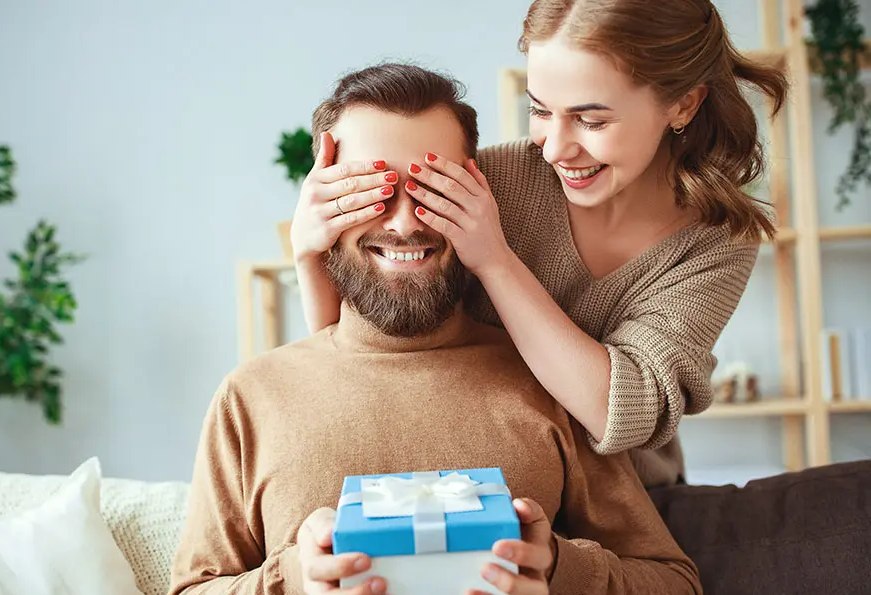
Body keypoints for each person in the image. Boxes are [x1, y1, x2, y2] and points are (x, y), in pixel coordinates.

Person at [165, 64, 702, 595]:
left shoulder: (555, 383)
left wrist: (559, 574)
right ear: (324, 201)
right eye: (370, 191)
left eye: (432, 189)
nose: (404, 223)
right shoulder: (252, 399)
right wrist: (294, 585)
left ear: (477, 195)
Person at [289, 0, 789, 488]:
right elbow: (368, 349)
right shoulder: (492, 180)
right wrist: (309, 253)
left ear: (683, 103)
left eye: (591, 120)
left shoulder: (716, 239)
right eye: (540, 111)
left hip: (629, 501)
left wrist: (496, 262)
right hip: (485, 483)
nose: (554, 147)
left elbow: (623, 411)